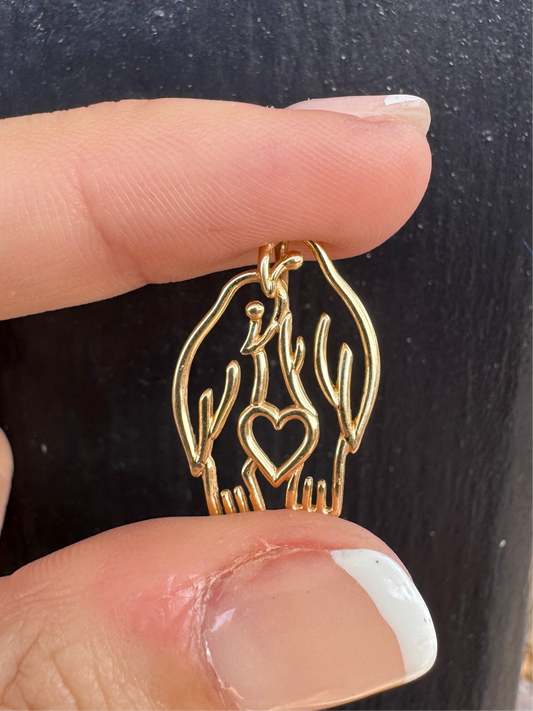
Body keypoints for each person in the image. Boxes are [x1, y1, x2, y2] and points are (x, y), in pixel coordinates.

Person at [0, 94, 435, 711]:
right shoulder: (230, 335)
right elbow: (209, 395)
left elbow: (345, 397)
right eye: (254, 314)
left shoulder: (327, 326)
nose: (262, 320)